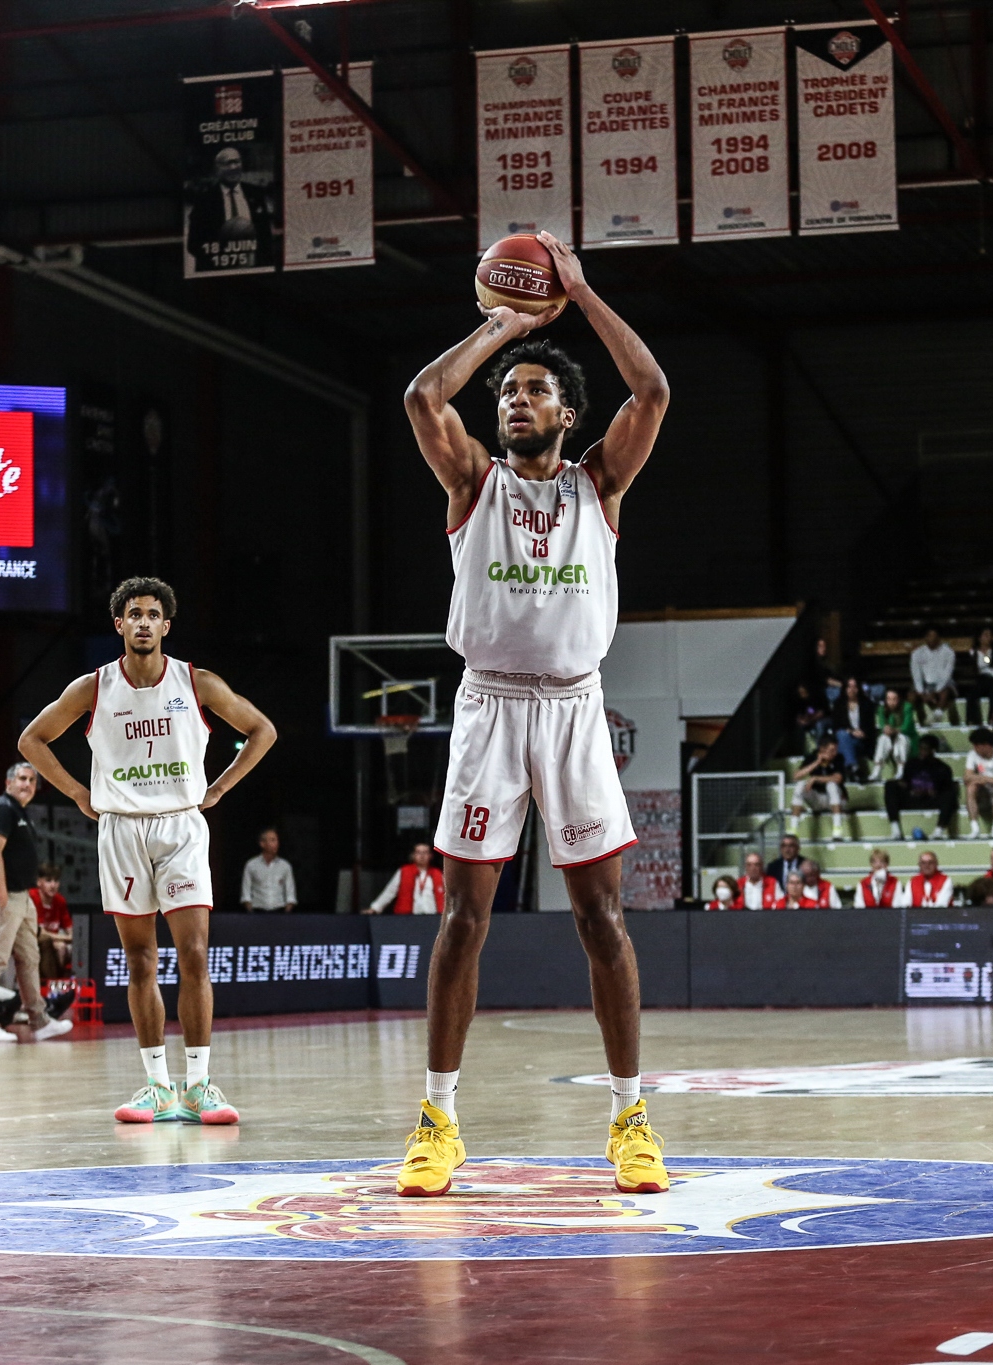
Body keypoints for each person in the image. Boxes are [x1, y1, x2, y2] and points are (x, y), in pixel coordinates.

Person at [398, 229, 670, 1199]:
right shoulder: (473, 482)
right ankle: (436, 1120)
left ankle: (630, 1120)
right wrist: (504, 324)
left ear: (566, 411)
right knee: (463, 920)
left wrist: (580, 295)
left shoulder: (598, 482)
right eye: (507, 391)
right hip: (489, 711)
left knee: (601, 917)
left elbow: (652, 392)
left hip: (572, 712)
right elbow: (422, 397)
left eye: (533, 389)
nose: (515, 399)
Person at [19, 575, 276, 1128]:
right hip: (121, 829)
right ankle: (158, 1087)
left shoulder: (195, 681)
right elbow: (31, 740)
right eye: (132, 613)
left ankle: (200, 1084)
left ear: (165, 625)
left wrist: (221, 788)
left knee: (195, 956)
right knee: (139, 960)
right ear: (119, 624)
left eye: (152, 614)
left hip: (181, 826)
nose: (142, 622)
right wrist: (77, 794)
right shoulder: (93, 688)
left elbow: (262, 730)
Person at [0, 762, 69, 1044]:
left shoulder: (19, 811)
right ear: (8, 783)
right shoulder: (3, 808)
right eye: (22, 779)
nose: (27, 784)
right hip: (5, 896)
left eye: (32, 781)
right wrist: (2, 896)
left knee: (30, 958)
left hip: (22, 897)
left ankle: (39, 1021)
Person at [185, 145, 274, 271]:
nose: (233, 167)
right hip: (218, 273)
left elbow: (266, 239)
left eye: (236, 162)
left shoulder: (256, 194)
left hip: (254, 271)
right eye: (227, 163)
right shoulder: (204, 200)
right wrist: (224, 252)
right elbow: (193, 245)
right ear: (217, 169)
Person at [884, 734, 956, 840]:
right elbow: (906, 782)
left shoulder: (943, 768)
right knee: (890, 785)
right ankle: (896, 829)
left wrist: (932, 792)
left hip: (931, 800)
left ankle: (939, 830)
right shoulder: (911, 763)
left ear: (933, 750)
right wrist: (909, 789)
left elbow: (946, 788)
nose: (922, 752)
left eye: (925, 749)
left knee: (950, 795)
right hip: (913, 798)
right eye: (920, 748)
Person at [789, 738, 851, 841]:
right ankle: (793, 830)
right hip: (817, 800)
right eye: (832, 750)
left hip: (837, 799)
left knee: (831, 785)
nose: (834, 753)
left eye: (836, 750)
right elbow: (796, 776)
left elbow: (838, 778)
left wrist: (815, 778)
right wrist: (817, 762)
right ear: (822, 749)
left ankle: (837, 831)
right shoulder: (812, 757)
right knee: (800, 785)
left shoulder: (839, 758)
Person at [963, 727, 993, 839]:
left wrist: (984, 778)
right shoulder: (972, 754)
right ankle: (975, 828)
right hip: (982, 791)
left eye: (976, 746)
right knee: (971, 788)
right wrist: (985, 779)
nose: (974, 748)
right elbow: (967, 777)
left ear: (985, 745)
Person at [367, 842, 444, 915]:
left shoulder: (438, 873)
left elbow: (448, 895)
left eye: (425, 852)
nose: (422, 856)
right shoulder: (403, 871)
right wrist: (374, 908)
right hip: (407, 918)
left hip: (432, 917)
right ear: (413, 855)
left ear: (430, 856)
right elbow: (390, 892)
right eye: (418, 852)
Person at [909, 626, 960, 725]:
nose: (932, 639)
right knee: (911, 695)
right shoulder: (917, 653)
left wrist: (935, 692)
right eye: (929, 636)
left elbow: (947, 675)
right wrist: (921, 693)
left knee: (946, 691)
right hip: (925, 684)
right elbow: (916, 675)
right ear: (925, 638)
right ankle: (919, 719)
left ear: (939, 638)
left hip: (944, 683)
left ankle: (938, 714)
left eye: (934, 636)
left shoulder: (949, 652)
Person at [240, 827, 298, 912]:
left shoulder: (285, 866)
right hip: (257, 911)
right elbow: (246, 894)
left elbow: (290, 896)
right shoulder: (251, 865)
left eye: (276, 840)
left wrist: (286, 914)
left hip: (279, 911)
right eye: (272, 840)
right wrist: (251, 913)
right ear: (262, 843)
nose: (276, 844)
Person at [32, 863, 74, 980]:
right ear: (39, 882)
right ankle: (51, 983)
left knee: (65, 948)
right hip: (31, 939)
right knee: (51, 944)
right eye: (48, 881)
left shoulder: (60, 901)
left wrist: (61, 939)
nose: (53, 885)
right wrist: (62, 938)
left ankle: (62, 983)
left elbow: (72, 933)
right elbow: (39, 933)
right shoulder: (32, 897)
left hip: (55, 941)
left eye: (56, 881)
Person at [831, 676, 877, 775]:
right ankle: (853, 766)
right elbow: (836, 727)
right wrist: (851, 731)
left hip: (862, 740)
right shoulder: (838, 705)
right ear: (845, 689)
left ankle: (848, 769)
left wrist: (862, 733)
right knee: (842, 735)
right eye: (849, 687)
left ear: (858, 688)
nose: (852, 690)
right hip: (845, 737)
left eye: (854, 687)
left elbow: (871, 727)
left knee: (843, 743)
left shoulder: (867, 704)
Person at [872, 686, 917, 779]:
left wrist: (895, 730)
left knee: (901, 738)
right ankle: (877, 770)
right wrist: (886, 729)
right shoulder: (882, 708)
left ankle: (901, 769)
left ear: (899, 699)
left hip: (907, 737)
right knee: (882, 738)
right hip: (890, 737)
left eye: (894, 699)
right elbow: (882, 724)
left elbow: (906, 726)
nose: (891, 702)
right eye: (888, 699)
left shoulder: (907, 707)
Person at [967, 627, 993, 724]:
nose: (989, 638)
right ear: (979, 638)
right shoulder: (974, 652)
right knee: (972, 694)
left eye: (990, 635)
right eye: (986, 635)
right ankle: (973, 719)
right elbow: (980, 668)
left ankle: (992, 718)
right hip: (983, 679)